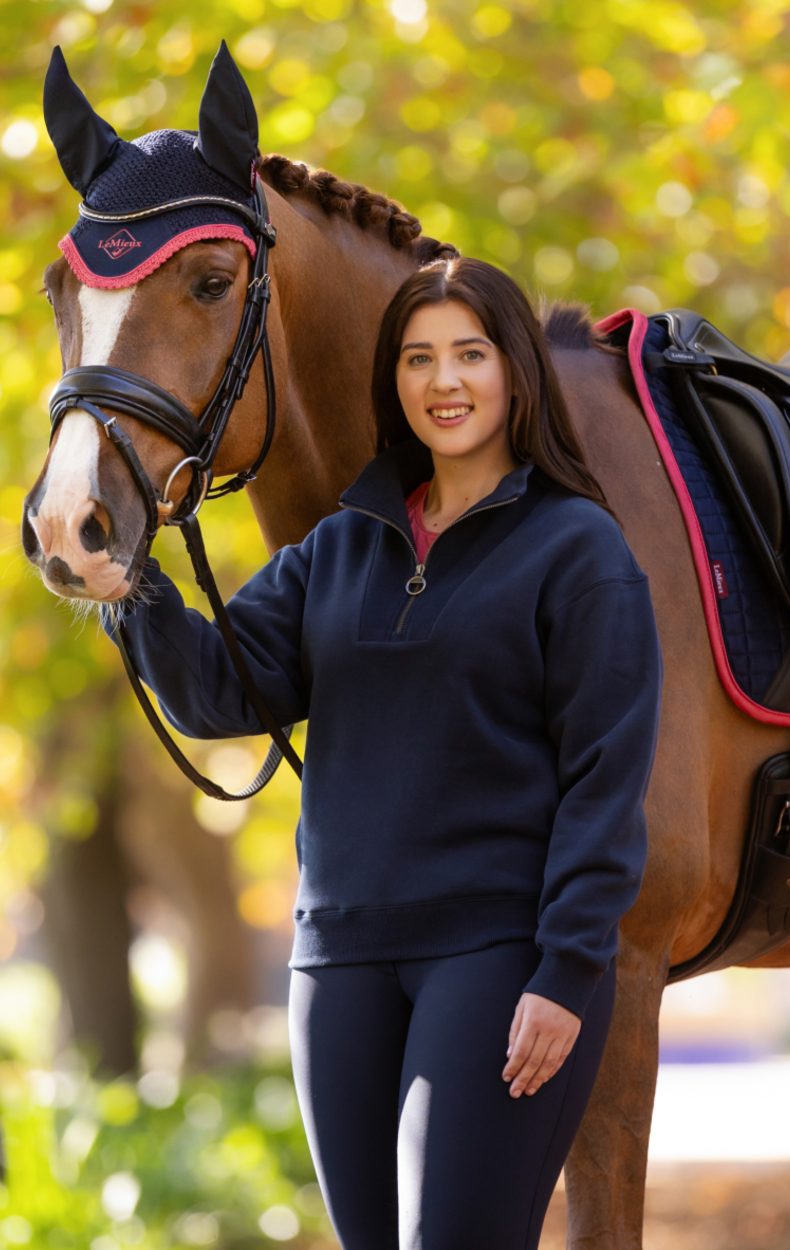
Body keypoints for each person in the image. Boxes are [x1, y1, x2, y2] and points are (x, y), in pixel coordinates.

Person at [106, 256, 662, 1249]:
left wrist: (568, 969)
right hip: (340, 959)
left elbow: (606, 779)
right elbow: (220, 689)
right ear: (392, 383)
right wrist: (130, 576)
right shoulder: (341, 544)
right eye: (417, 359)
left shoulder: (579, 548)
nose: (442, 382)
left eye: (468, 354)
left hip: (498, 955)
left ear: (515, 373)